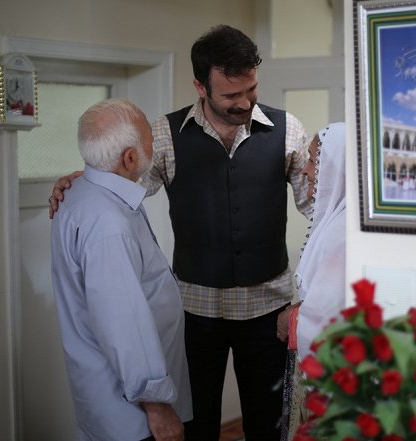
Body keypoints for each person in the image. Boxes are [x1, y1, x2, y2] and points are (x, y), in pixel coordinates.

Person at [49, 25, 311, 441]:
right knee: (195, 424)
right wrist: (83, 180)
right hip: (194, 311)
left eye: (251, 90)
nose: (243, 103)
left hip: (269, 310)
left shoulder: (289, 130)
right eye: (230, 95)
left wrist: (305, 298)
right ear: (200, 85)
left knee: (268, 423)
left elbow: (319, 212)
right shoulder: (165, 134)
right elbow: (121, 181)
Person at [50, 99, 192, 441]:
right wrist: (158, 407)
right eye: (148, 140)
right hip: (132, 412)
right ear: (129, 158)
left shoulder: (81, 192)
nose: (154, 146)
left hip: (108, 397)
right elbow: (122, 324)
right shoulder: (109, 224)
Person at [276, 122, 347, 440]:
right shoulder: (336, 220)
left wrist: (294, 315)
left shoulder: (346, 230)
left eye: (315, 160)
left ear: (340, 166)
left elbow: (336, 309)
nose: (305, 170)